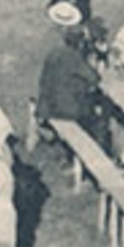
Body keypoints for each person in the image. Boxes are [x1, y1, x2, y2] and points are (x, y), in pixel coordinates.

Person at [36, 21, 104, 153]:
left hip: (47, 107)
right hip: (65, 112)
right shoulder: (74, 57)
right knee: (98, 116)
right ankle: (100, 150)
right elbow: (94, 78)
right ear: (80, 43)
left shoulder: (54, 53)